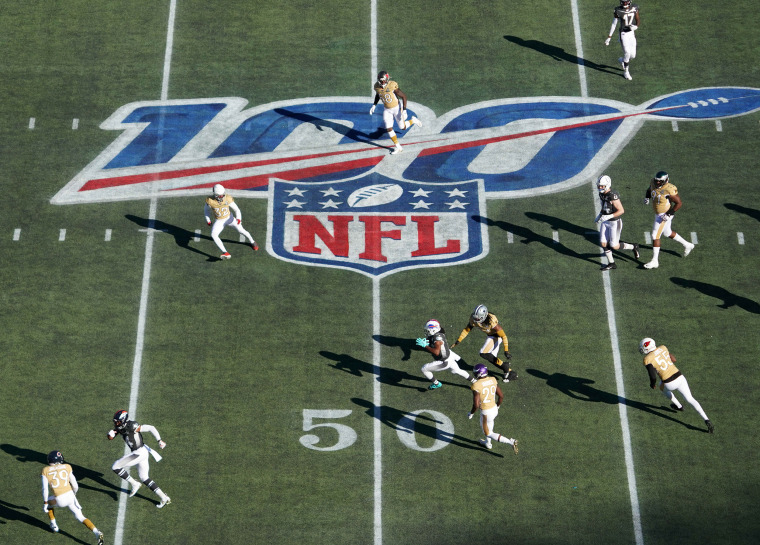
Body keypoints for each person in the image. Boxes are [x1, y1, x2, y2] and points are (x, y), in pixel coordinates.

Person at [639, 338, 714, 433]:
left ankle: (679, 406)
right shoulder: (663, 347)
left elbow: (652, 376)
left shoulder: (647, 359)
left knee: (661, 387)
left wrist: (652, 384)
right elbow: (674, 359)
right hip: (680, 377)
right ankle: (707, 420)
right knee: (690, 399)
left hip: (669, 382)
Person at [108, 410, 171, 508]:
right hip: (141, 453)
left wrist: (159, 440)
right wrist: (110, 435)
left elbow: (151, 428)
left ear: (124, 420)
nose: (116, 423)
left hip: (139, 452)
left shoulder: (132, 426)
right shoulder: (120, 427)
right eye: (115, 421)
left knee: (115, 466)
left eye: (118, 421)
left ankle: (134, 484)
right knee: (144, 477)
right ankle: (164, 497)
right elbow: (112, 436)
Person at [41, 450, 105, 544]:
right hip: (70, 496)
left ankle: (53, 524)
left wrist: (45, 502)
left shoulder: (45, 470)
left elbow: (44, 489)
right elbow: (75, 485)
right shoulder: (67, 467)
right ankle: (96, 532)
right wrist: (73, 494)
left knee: (49, 503)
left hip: (59, 499)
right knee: (80, 516)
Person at [642, 171, 695, 269]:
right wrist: (647, 197)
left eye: (660, 181)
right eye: (656, 181)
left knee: (655, 235)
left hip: (664, 215)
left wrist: (669, 214)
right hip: (658, 214)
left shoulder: (669, 189)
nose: (657, 183)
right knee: (667, 233)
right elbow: (650, 190)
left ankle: (655, 261)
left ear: (666, 180)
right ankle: (688, 245)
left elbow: (679, 203)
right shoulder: (653, 182)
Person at [452, 305, 517, 382]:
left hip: (496, 337)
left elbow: (504, 336)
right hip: (490, 336)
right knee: (491, 358)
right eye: (475, 317)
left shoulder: (492, 321)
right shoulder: (474, 318)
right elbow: (467, 329)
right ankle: (510, 372)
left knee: (484, 353)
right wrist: (459, 340)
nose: (476, 320)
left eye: (478, 318)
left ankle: (505, 366)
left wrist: (506, 350)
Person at [468, 363, 519, 452]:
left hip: (486, 413)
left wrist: (471, 413)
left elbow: (476, 405)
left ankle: (510, 442)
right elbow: (501, 396)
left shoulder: (476, 385)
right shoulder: (492, 379)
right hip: (494, 409)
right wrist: (498, 406)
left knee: (488, 433)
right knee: (489, 426)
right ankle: (488, 444)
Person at [369, 71, 422, 155]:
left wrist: (404, 110)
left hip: (397, 108)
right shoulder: (377, 86)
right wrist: (374, 105)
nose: (382, 82)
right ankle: (398, 147)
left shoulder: (392, 85)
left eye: (383, 80)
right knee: (389, 128)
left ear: (387, 79)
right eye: (381, 80)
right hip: (387, 109)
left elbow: (404, 96)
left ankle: (414, 120)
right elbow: (378, 94)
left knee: (402, 127)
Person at [594, 174, 640, 271]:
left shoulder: (612, 195)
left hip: (614, 222)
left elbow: (621, 210)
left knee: (614, 246)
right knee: (603, 243)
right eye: (599, 186)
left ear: (607, 185)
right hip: (606, 221)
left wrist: (609, 216)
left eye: (601, 186)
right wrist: (600, 215)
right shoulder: (602, 194)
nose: (599, 187)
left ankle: (633, 246)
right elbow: (605, 207)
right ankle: (612, 263)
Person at [416, 319, 475, 390]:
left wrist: (425, 346)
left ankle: (436, 383)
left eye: (428, 330)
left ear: (433, 330)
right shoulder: (437, 334)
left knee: (424, 369)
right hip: (449, 356)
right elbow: (429, 343)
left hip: (444, 361)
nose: (427, 331)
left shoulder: (437, 339)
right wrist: (423, 345)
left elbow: (436, 352)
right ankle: (474, 381)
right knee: (457, 370)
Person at [204, 183, 259, 260]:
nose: (222, 196)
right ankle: (225, 252)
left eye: (223, 194)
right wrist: (208, 219)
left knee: (241, 230)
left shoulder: (227, 198)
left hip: (230, 218)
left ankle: (252, 241)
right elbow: (206, 210)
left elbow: (237, 209)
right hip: (219, 220)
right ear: (215, 195)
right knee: (213, 235)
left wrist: (239, 218)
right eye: (220, 195)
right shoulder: (210, 200)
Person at [604, 0, 640, 80]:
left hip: (631, 33)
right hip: (623, 34)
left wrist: (636, 26)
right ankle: (626, 72)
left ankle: (623, 60)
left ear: (629, 2)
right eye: (623, 2)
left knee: (633, 55)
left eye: (626, 2)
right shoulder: (618, 10)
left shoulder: (634, 8)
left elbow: (638, 19)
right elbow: (614, 24)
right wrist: (609, 37)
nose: (624, 3)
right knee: (627, 52)